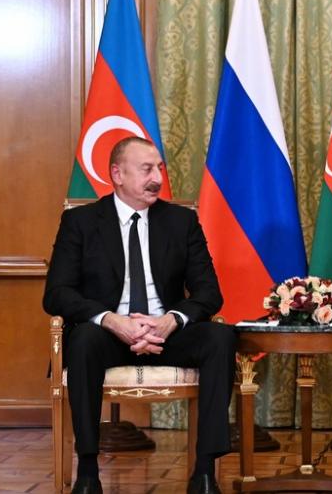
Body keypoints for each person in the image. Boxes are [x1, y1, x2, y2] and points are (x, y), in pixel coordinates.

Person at [44, 136, 236, 494]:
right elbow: (56, 294)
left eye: (159, 169)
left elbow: (210, 293)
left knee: (220, 337)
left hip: (167, 335)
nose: (157, 179)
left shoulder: (181, 221)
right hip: (108, 336)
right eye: (147, 169)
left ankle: (204, 472)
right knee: (82, 338)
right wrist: (112, 320)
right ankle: (88, 472)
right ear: (117, 174)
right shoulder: (80, 222)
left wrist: (170, 320)